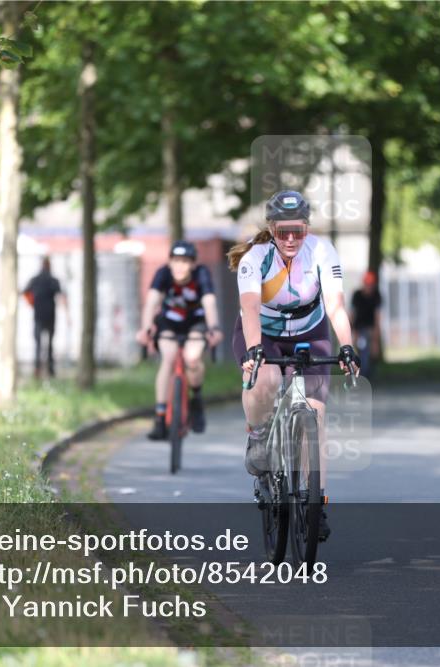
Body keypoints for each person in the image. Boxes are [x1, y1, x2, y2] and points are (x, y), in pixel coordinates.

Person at [227, 190, 359, 542]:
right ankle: (258, 436)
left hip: (310, 332)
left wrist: (347, 346)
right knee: (267, 380)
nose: (290, 239)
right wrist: (254, 350)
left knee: (316, 412)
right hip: (262, 334)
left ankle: (317, 502)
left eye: (297, 231)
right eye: (283, 231)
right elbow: (250, 309)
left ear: (307, 228)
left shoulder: (322, 252)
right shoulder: (256, 258)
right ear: (271, 229)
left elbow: (335, 306)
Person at [136, 241, 223, 440]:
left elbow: (209, 303)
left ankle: (196, 400)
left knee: (192, 358)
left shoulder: (201, 274)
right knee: (168, 358)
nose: (180, 266)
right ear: (170, 262)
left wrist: (214, 328)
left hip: (196, 323)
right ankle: (160, 418)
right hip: (169, 322)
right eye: (176, 261)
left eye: (185, 261)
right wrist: (146, 328)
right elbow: (151, 302)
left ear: (193, 264)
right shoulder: (163, 274)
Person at [23, 257, 67, 379]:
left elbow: (25, 292)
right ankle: (50, 370)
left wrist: (31, 303)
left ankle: (37, 369)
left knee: (38, 344)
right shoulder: (53, 280)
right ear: (49, 265)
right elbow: (62, 296)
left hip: (38, 316)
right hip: (50, 316)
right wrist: (67, 315)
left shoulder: (35, 280)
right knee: (50, 344)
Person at [350, 270, 382, 378]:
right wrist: (352, 332)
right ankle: (360, 374)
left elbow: (377, 317)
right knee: (359, 352)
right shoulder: (357, 295)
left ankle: (365, 374)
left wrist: (375, 340)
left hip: (370, 330)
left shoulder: (376, 296)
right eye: (367, 284)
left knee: (367, 353)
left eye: (371, 284)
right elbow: (352, 314)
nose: (369, 287)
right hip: (358, 330)